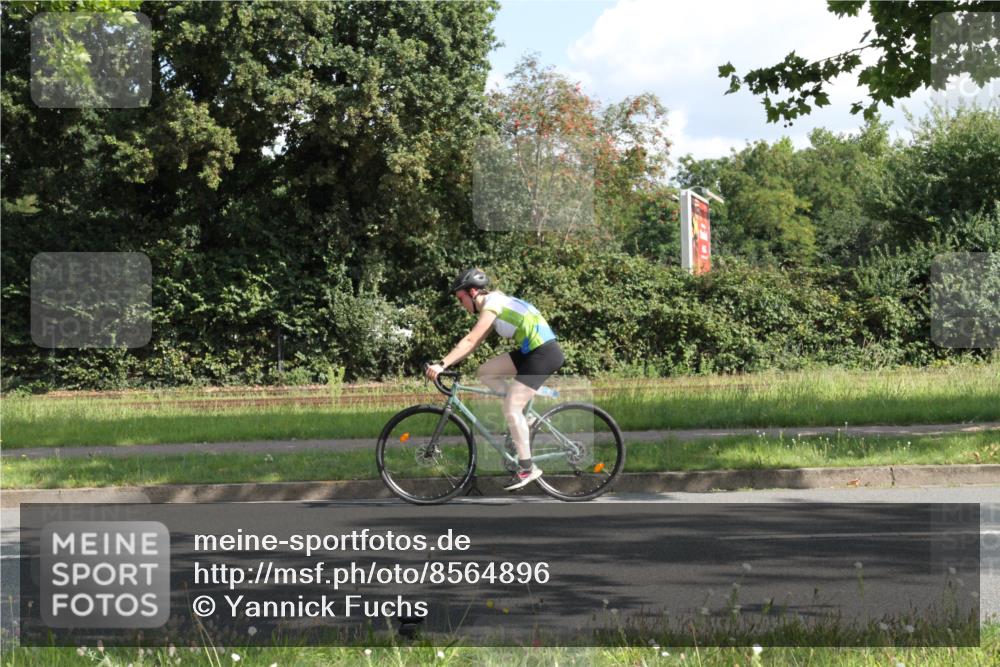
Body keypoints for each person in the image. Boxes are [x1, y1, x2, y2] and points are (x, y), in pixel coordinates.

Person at [425, 268, 565, 490]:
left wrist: (441, 365)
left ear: (472, 292)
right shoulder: (493, 303)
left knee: (511, 407)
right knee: (486, 372)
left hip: (543, 352)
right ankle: (525, 416)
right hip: (532, 351)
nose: (461, 304)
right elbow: (474, 344)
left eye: (461, 298)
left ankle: (527, 468)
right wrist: (448, 362)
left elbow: (470, 340)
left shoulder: (492, 304)